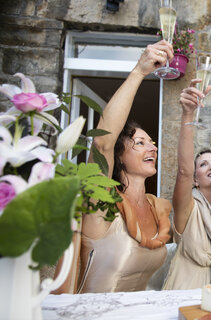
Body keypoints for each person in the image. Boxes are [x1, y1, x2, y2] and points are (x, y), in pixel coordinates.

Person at [61, 40, 173, 293]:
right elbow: (102, 143)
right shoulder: (101, 202)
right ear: (119, 156)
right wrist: (139, 72)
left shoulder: (156, 208)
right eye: (140, 143)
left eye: (152, 143)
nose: (152, 148)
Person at [163, 79, 211, 290]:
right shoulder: (188, 208)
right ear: (195, 180)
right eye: (203, 164)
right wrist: (188, 115)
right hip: (183, 301)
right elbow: (184, 171)